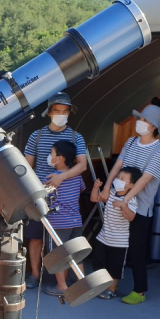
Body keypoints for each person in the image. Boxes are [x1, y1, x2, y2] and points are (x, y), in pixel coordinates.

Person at [100, 105, 160, 304]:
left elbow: (145, 179)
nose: (141, 123)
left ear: (154, 126)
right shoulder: (129, 142)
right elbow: (118, 166)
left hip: (141, 207)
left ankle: (140, 291)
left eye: (145, 121)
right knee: (111, 244)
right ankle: (110, 284)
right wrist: (106, 187)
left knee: (136, 250)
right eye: (141, 119)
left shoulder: (159, 150)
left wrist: (126, 200)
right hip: (117, 202)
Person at [23, 92, 87, 289]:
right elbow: (27, 165)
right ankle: (35, 274)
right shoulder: (37, 135)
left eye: (65, 111)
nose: (61, 114)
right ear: (49, 113)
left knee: (63, 241)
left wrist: (61, 177)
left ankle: (63, 280)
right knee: (34, 237)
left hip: (63, 197)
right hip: (39, 196)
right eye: (57, 111)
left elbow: (82, 165)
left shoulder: (76, 137)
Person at [90, 166, 142, 299]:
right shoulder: (111, 192)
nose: (118, 180)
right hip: (103, 237)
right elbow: (94, 199)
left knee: (115, 267)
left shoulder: (131, 199)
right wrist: (96, 188)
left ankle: (112, 289)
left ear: (131, 185)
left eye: (122, 179)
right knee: (99, 262)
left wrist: (123, 205)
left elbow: (131, 217)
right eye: (118, 177)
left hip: (119, 242)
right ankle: (100, 286)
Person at [44, 140, 86, 296]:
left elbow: (44, 196)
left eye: (52, 153)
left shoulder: (51, 178)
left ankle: (62, 286)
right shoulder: (77, 177)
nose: (50, 156)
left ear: (59, 158)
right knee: (76, 253)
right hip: (76, 221)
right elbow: (82, 189)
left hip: (58, 224)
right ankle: (83, 284)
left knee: (58, 256)